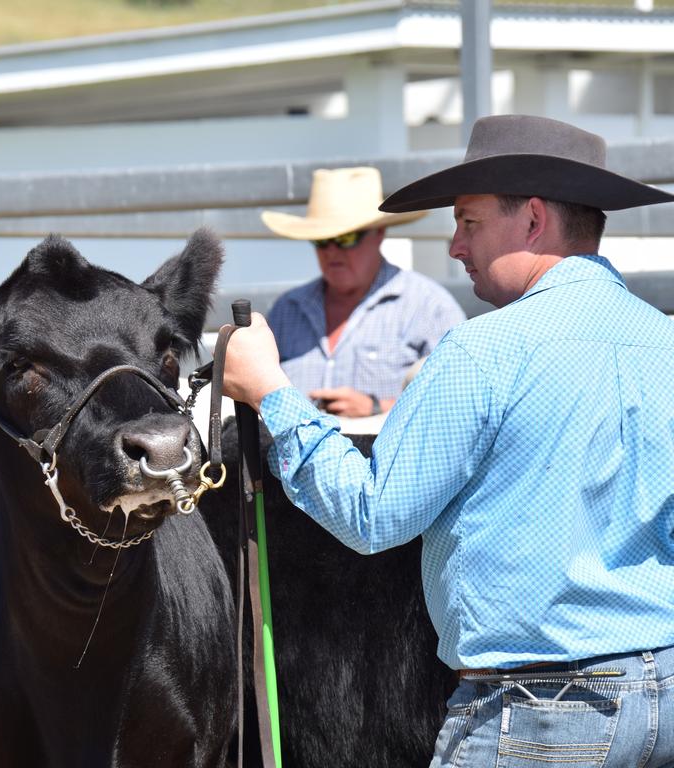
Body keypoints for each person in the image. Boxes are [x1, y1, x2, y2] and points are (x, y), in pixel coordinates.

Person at [222, 115, 674, 766]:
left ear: (534, 220)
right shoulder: (660, 342)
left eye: (468, 221)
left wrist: (270, 391)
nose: (457, 247)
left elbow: (373, 514)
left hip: (539, 711)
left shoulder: (482, 352)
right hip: (659, 699)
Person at [261, 166, 465, 417]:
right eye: (321, 240)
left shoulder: (429, 307)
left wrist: (378, 408)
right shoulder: (287, 310)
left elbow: (459, 400)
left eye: (347, 238)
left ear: (379, 233)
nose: (332, 251)